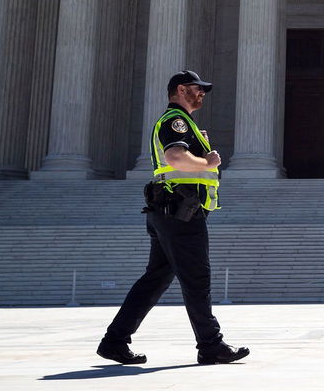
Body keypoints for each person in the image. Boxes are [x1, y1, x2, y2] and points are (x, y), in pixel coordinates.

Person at [97, 70, 248, 366]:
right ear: (181, 90)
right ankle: (211, 345)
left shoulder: (186, 123)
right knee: (196, 279)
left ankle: (114, 341)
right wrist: (207, 160)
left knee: (155, 280)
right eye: (197, 88)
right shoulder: (175, 121)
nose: (202, 93)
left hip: (168, 211)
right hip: (180, 213)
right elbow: (176, 158)